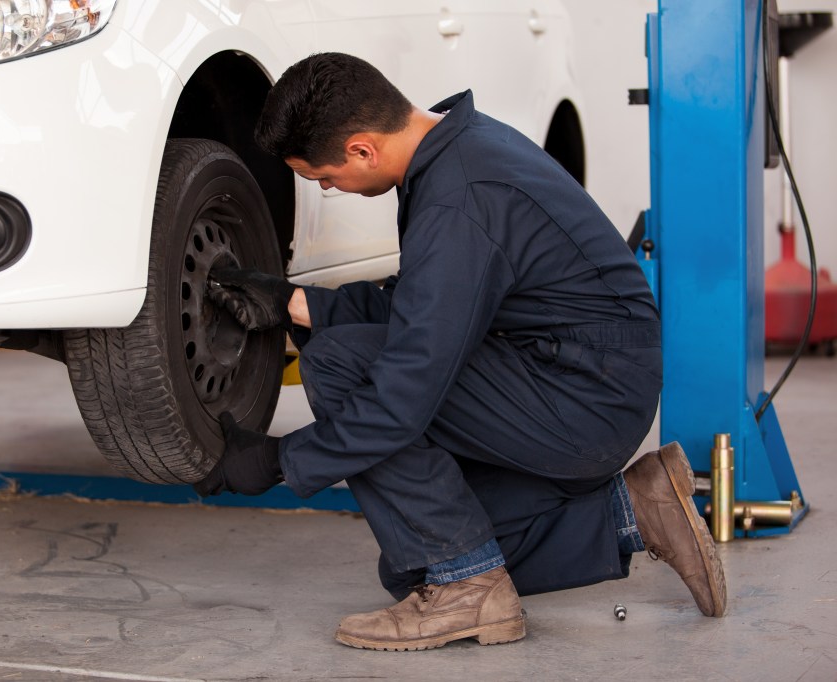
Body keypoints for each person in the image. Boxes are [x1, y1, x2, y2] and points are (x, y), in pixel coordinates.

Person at [195, 52, 726, 651]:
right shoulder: (456, 151)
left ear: (363, 149)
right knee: (410, 568)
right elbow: (432, 306)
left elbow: (404, 396)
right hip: (574, 378)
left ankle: (466, 584)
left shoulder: (457, 198)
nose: (328, 189)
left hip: (584, 396)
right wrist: (294, 302)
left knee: (338, 362)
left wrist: (278, 462)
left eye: (322, 177)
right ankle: (633, 510)